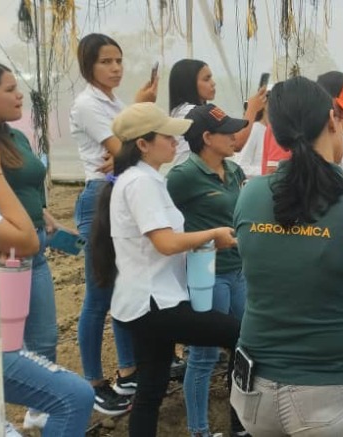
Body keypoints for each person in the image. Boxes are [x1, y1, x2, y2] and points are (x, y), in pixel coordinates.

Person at [230, 76, 343, 436]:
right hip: (328, 390)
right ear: (331, 119)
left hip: (254, 390)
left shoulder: (250, 195)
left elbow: (263, 265)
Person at [91, 102, 241, 436]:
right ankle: (241, 423)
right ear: (143, 144)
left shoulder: (144, 179)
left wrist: (203, 242)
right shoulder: (141, 183)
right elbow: (165, 243)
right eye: (167, 137)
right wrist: (212, 235)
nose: (175, 142)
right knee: (241, 334)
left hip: (144, 301)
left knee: (151, 388)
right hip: (154, 303)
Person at [0, 75, 96, 437]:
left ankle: (38, 410)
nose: (19, 95)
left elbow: (28, 185)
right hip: (7, 253)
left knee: (44, 336)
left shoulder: (15, 137)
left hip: (33, 245)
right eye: (9, 89)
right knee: (7, 345)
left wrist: (43, 213)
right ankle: (0, 416)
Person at [69, 32, 155, 415]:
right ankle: (93, 382)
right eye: (106, 61)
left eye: (118, 60)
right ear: (88, 65)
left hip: (119, 193)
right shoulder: (87, 104)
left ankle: (128, 370)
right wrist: (125, 152)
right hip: (99, 197)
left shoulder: (115, 103)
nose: (116, 68)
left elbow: (126, 151)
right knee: (99, 294)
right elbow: (126, 150)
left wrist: (124, 151)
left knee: (123, 288)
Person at [167, 103, 250, 437]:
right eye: (227, 132)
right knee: (204, 354)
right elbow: (163, 225)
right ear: (206, 138)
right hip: (207, 277)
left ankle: (240, 424)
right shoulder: (182, 177)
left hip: (239, 273)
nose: (235, 136)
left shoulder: (235, 171)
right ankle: (198, 430)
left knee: (244, 346)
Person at [167, 58, 266, 169]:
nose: (213, 83)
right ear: (188, 84)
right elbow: (237, 142)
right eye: (206, 79)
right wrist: (252, 109)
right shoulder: (190, 113)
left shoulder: (180, 111)